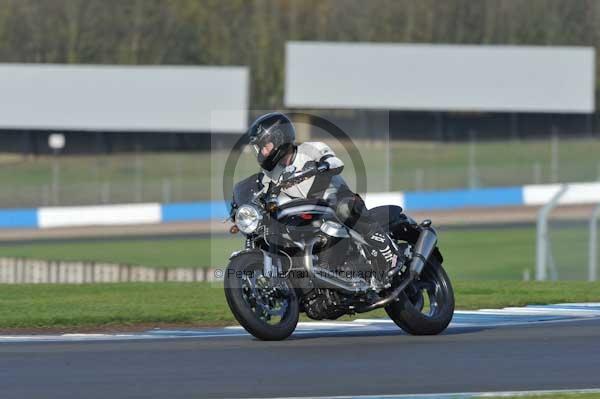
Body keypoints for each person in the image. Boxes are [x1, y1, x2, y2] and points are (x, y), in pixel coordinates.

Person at [246, 112, 399, 286]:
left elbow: (336, 163)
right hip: (306, 211)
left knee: (345, 207)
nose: (261, 152)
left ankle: (387, 251)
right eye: (258, 148)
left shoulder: (311, 149)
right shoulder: (270, 174)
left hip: (334, 199)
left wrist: (320, 165)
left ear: (279, 139)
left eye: (264, 146)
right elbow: (261, 193)